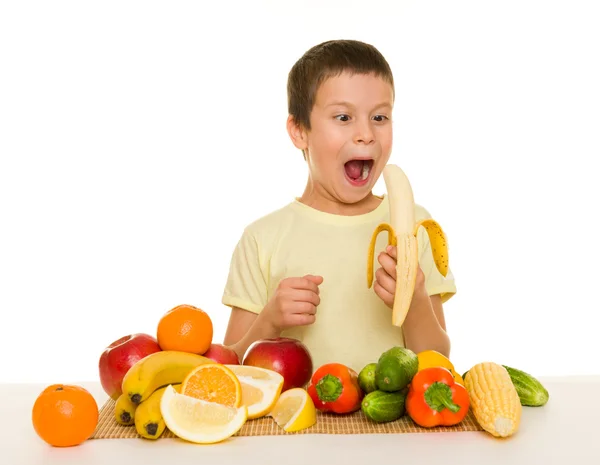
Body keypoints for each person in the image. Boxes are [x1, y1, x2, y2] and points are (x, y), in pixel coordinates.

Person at [220, 39, 457, 373]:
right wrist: (269, 321)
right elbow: (230, 367)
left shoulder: (415, 226)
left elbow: (438, 361)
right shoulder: (262, 238)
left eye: (380, 116)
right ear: (300, 131)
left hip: (390, 425)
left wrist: (415, 300)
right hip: (299, 422)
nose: (365, 134)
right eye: (343, 117)